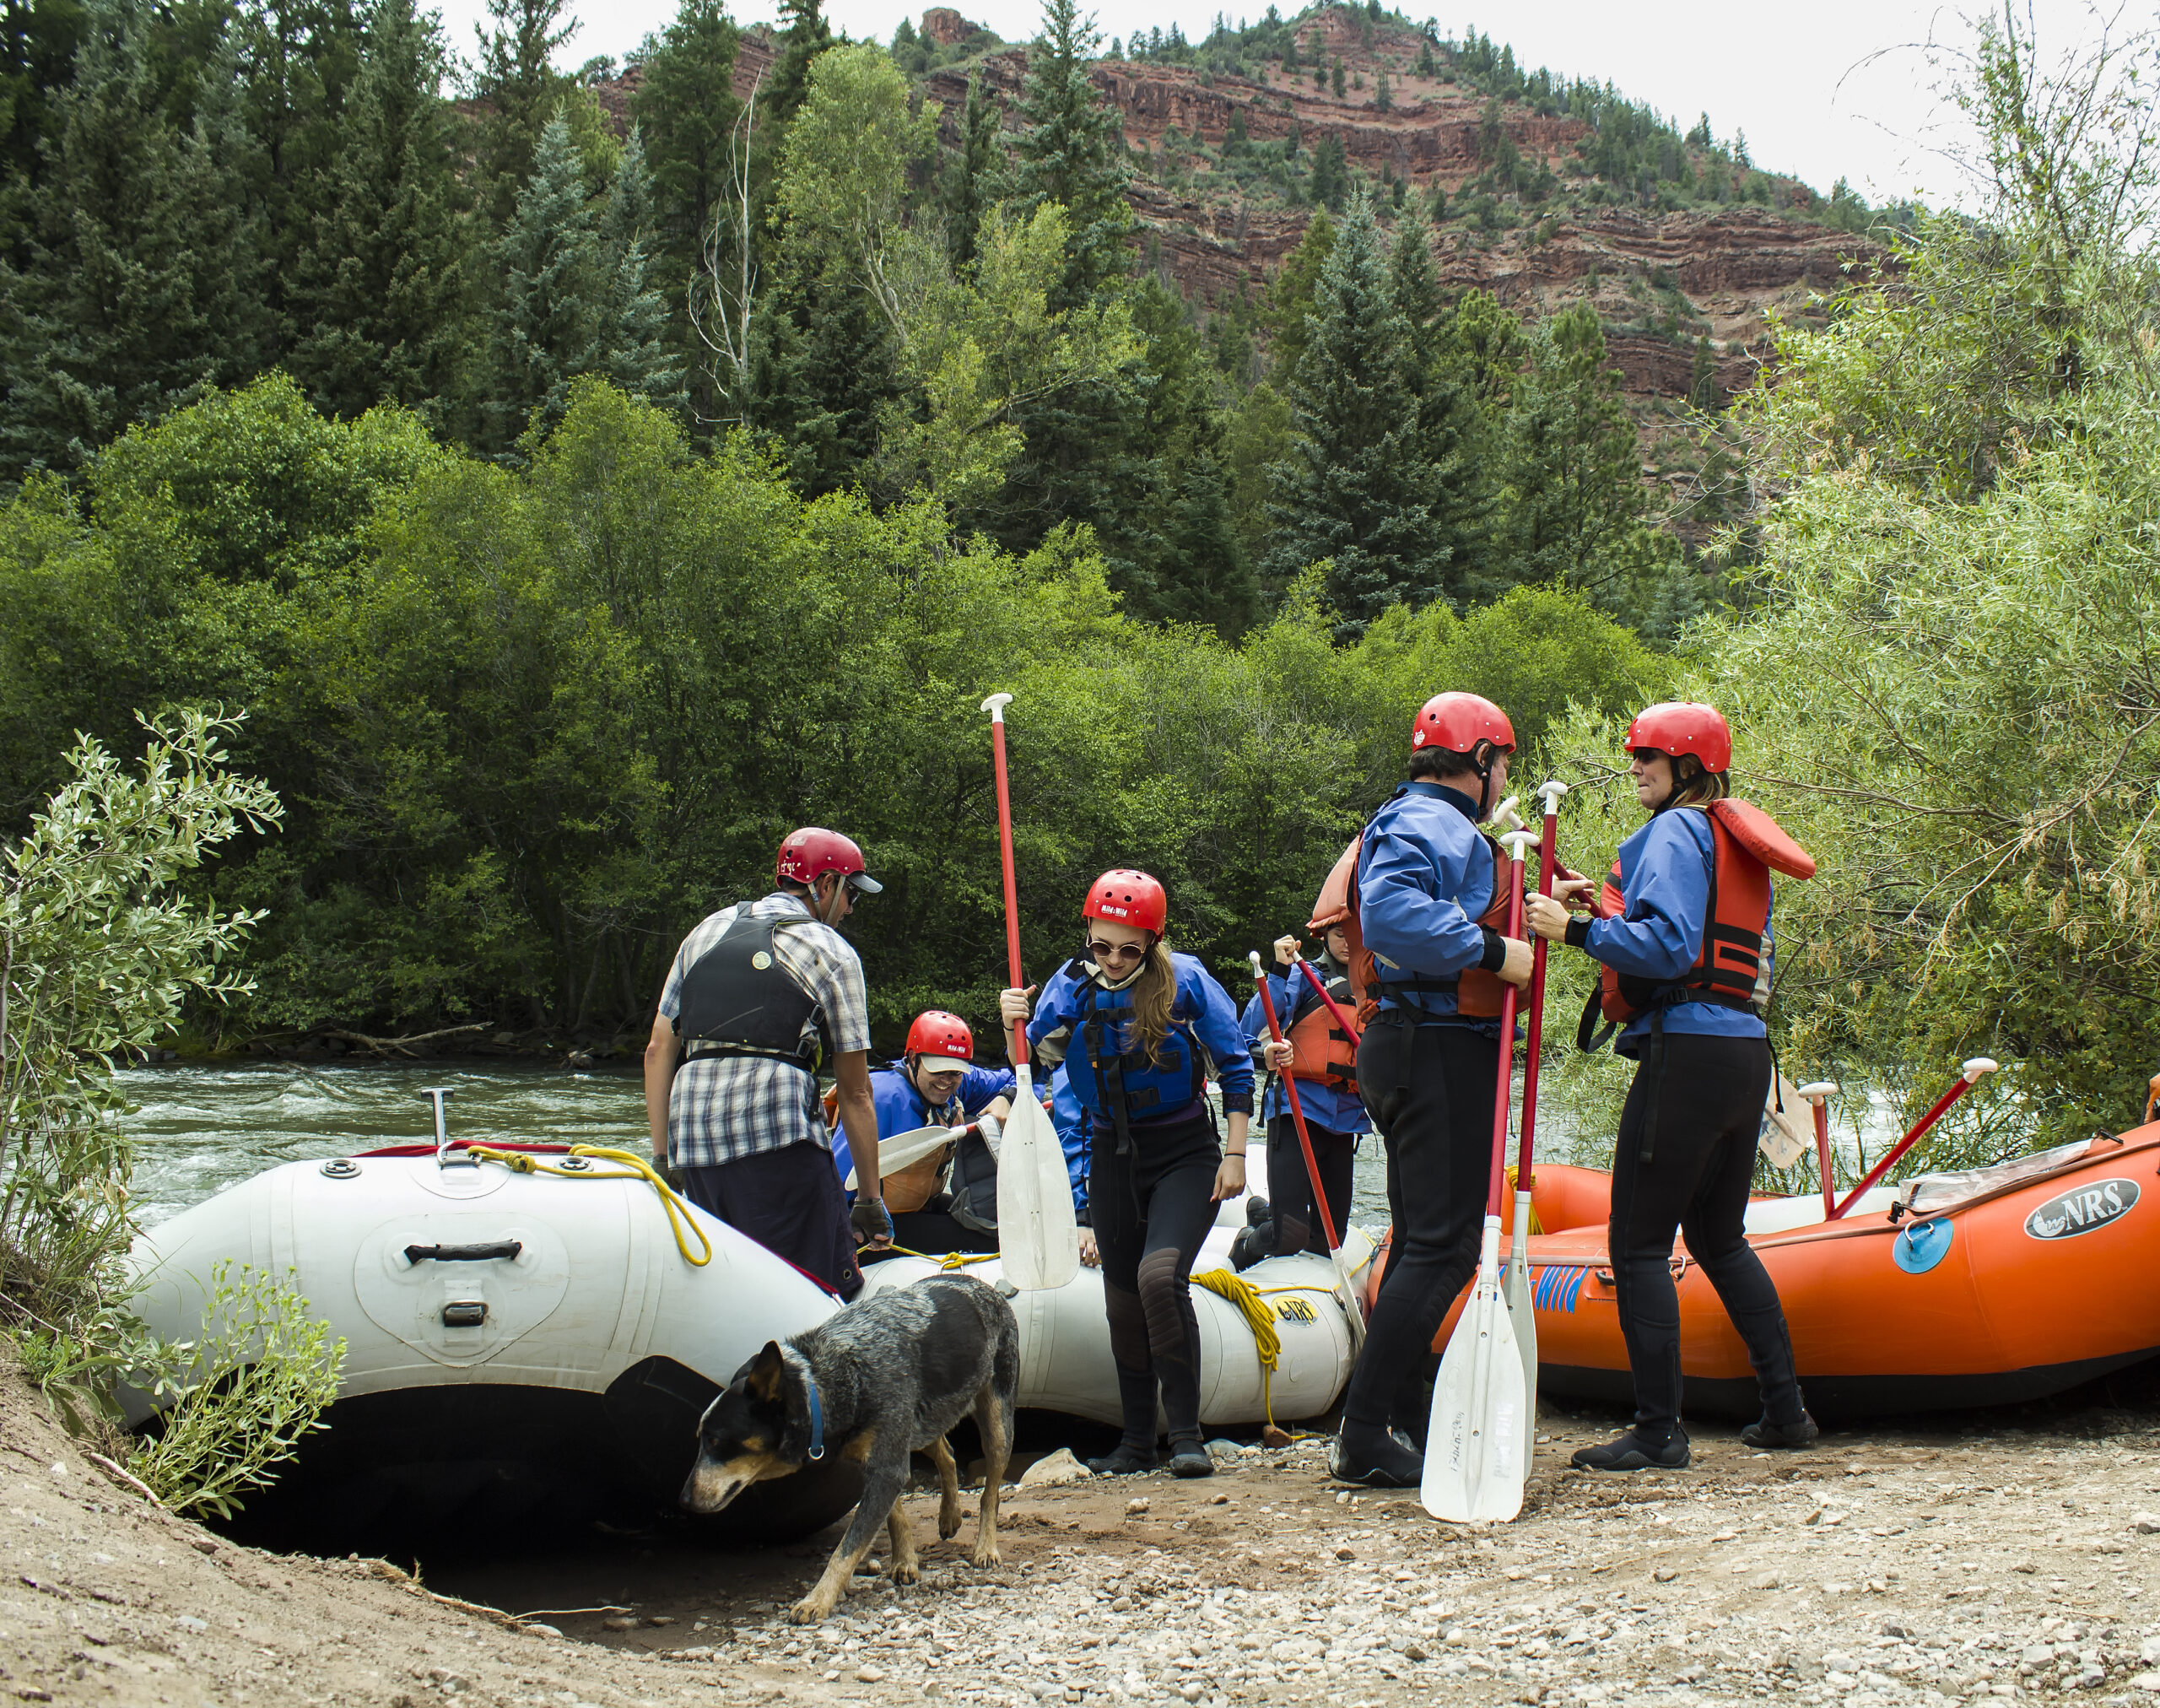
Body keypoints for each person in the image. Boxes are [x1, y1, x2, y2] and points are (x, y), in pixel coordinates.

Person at [1524, 701, 1817, 1469]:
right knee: (1720, 1240)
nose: (1634, 767)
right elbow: (1702, 938)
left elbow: (1669, 946)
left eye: (1647, 756)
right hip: (1745, 1057)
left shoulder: (1675, 831)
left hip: (1684, 1058)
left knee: (1639, 1246)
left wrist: (1576, 930)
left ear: (1687, 764)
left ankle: (1659, 1432)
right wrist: (1606, 902)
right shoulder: (1732, 840)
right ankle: (1786, 1415)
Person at [1332, 692, 1533, 1489]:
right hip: (1434, 1049)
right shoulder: (1428, 823)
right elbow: (1389, 916)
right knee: (1446, 1247)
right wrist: (1492, 950)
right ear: (1480, 761)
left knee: (1420, 1242)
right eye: (1504, 762)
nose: (1506, 775)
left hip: (1410, 1048)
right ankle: (1364, 1431)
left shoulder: (1426, 822)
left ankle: (1404, 1419)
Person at [1000, 869, 1254, 1478]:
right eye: (1102, 947)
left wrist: (1237, 1154)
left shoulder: (1186, 983)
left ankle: (1186, 1435)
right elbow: (1034, 1056)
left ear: (1153, 943)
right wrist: (1015, 1016)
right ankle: (1137, 1442)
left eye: (1129, 949)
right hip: (1111, 1153)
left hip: (1185, 1153)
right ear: (1088, 936)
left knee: (1159, 1277)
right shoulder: (1068, 990)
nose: (1114, 960)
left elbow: (1237, 1068)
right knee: (1121, 1302)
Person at [645, 827, 892, 1299]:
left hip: (694, 1142)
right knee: (818, 1289)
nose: (850, 908)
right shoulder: (832, 951)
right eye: (849, 894)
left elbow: (659, 1050)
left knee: (727, 1287)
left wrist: (662, 1158)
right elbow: (856, 1093)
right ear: (824, 886)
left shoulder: (704, 932)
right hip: (777, 1141)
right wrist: (868, 1200)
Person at [1236, 922, 1369, 1265]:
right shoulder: (1303, 976)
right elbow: (1250, 1031)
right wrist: (1280, 970)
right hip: (1298, 1112)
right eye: (1342, 935)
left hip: (1345, 1121)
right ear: (1324, 936)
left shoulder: (1373, 988)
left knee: (1329, 1241)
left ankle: (1264, 1212)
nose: (1349, 944)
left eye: (1358, 937)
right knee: (1289, 1236)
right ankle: (1246, 1245)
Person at [833, 1010, 1017, 1256]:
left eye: (955, 1072)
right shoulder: (883, 1099)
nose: (946, 1081)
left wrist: (1008, 1097)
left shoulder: (959, 1085)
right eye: (937, 1070)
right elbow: (835, 1182)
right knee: (987, 1242)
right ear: (912, 1058)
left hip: (920, 1207)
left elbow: (1027, 1077)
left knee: (1001, 1227)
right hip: (873, 1224)